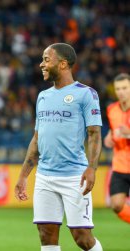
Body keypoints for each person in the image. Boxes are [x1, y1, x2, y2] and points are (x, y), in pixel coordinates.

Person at [15, 43, 103, 251]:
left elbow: (94, 134)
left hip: (74, 176)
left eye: (46, 60)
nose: (41, 65)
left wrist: (91, 168)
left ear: (63, 64)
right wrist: (23, 175)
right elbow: (37, 139)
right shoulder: (43, 96)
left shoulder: (86, 94)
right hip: (45, 177)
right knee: (46, 235)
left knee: (82, 237)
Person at [103, 73, 130, 224]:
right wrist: (109, 137)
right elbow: (114, 130)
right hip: (120, 166)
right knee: (117, 205)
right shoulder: (111, 109)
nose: (121, 92)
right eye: (118, 89)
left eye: (125, 88)